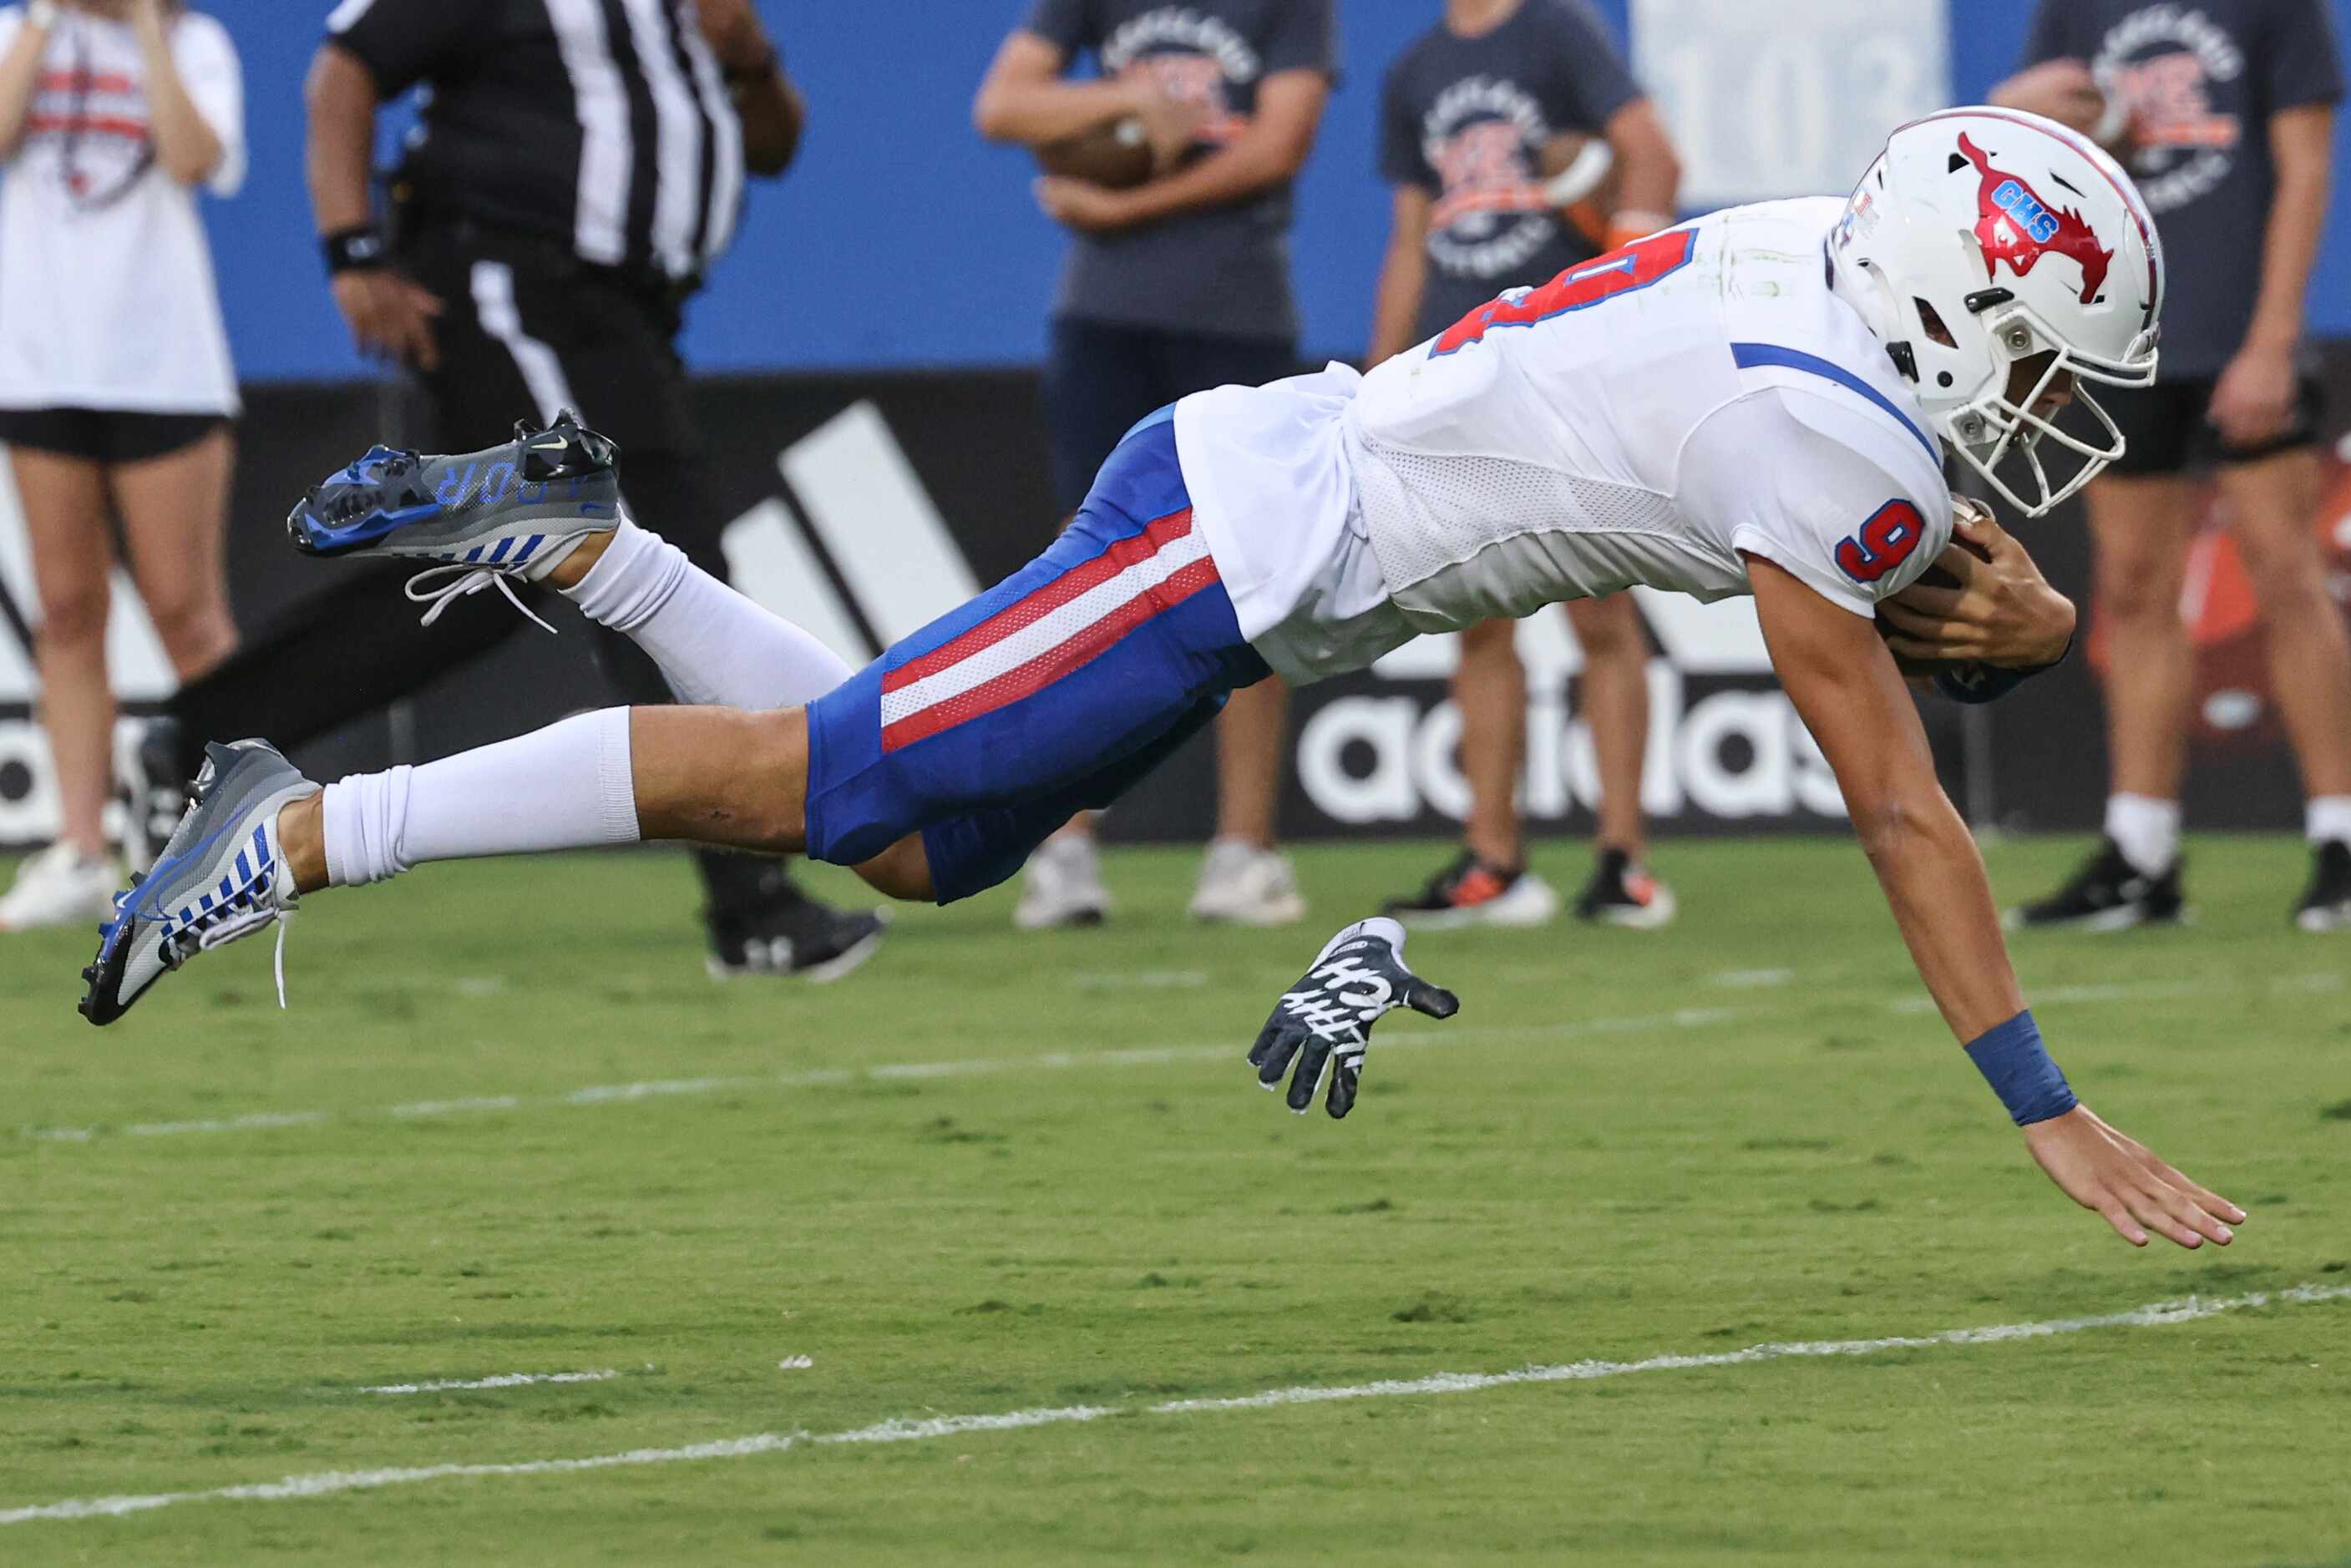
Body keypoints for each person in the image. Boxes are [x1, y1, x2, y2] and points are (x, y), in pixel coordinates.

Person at [84, 109, 2249, 1256]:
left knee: (911, 842)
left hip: (1249, 529)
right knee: (813, 788)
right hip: (1226, 539)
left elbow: (1937, 586)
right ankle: (290, 826)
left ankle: (593, 544)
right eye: (2045, 360)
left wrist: (2028, 618)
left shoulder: (1821, 251)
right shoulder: (1830, 429)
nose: (2054, 411)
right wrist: (2034, 1097)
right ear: (1951, 308)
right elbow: (1894, 788)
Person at [125, 0, 883, 980]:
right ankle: (751, 902)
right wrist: (352, 248)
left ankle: (194, 734)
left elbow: (771, 147)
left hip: (626, 319)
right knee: (630, 559)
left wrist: (752, 61)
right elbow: (344, 72)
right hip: (516, 286)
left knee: (495, 583)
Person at [973, 0, 1337, 930]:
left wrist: (1123, 201)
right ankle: (1061, 843)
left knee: (1258, 563)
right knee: (1077, 570)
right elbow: (1003, 106)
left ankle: (1242, 852)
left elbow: (1277, 146)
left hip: (1237, 310)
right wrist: (1122, 105)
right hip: (1102, 313)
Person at [1994, 0, 2351, 932]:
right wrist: (2013, 104)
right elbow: (2022, 150)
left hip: (2242, 330)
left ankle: (2339, 838)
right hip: (2126, 334)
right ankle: (2141, 852)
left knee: (2286, 574)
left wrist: (2272, 338)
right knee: (2135, 586)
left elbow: (2306, 166)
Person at [1367, 0, 1684, 929]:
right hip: (1459, 366)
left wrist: (1629, 279)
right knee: (1475, 619)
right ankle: (1493, 861)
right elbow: (1409, 236)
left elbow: (1654, 153)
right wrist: (1377, 376)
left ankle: (1622, 859)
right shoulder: (1413, 70)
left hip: (1561, 358)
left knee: (1601, 613)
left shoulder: (1556, 30)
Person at [0, 0, 240, 931]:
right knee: (67, 608)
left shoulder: (197, 43)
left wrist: (145, 25)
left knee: (188, 612)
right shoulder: (20, 30)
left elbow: (192, 158)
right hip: (40, 365)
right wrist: (47, 19)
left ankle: (238, 842)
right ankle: (80, 853)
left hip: (165, 369)